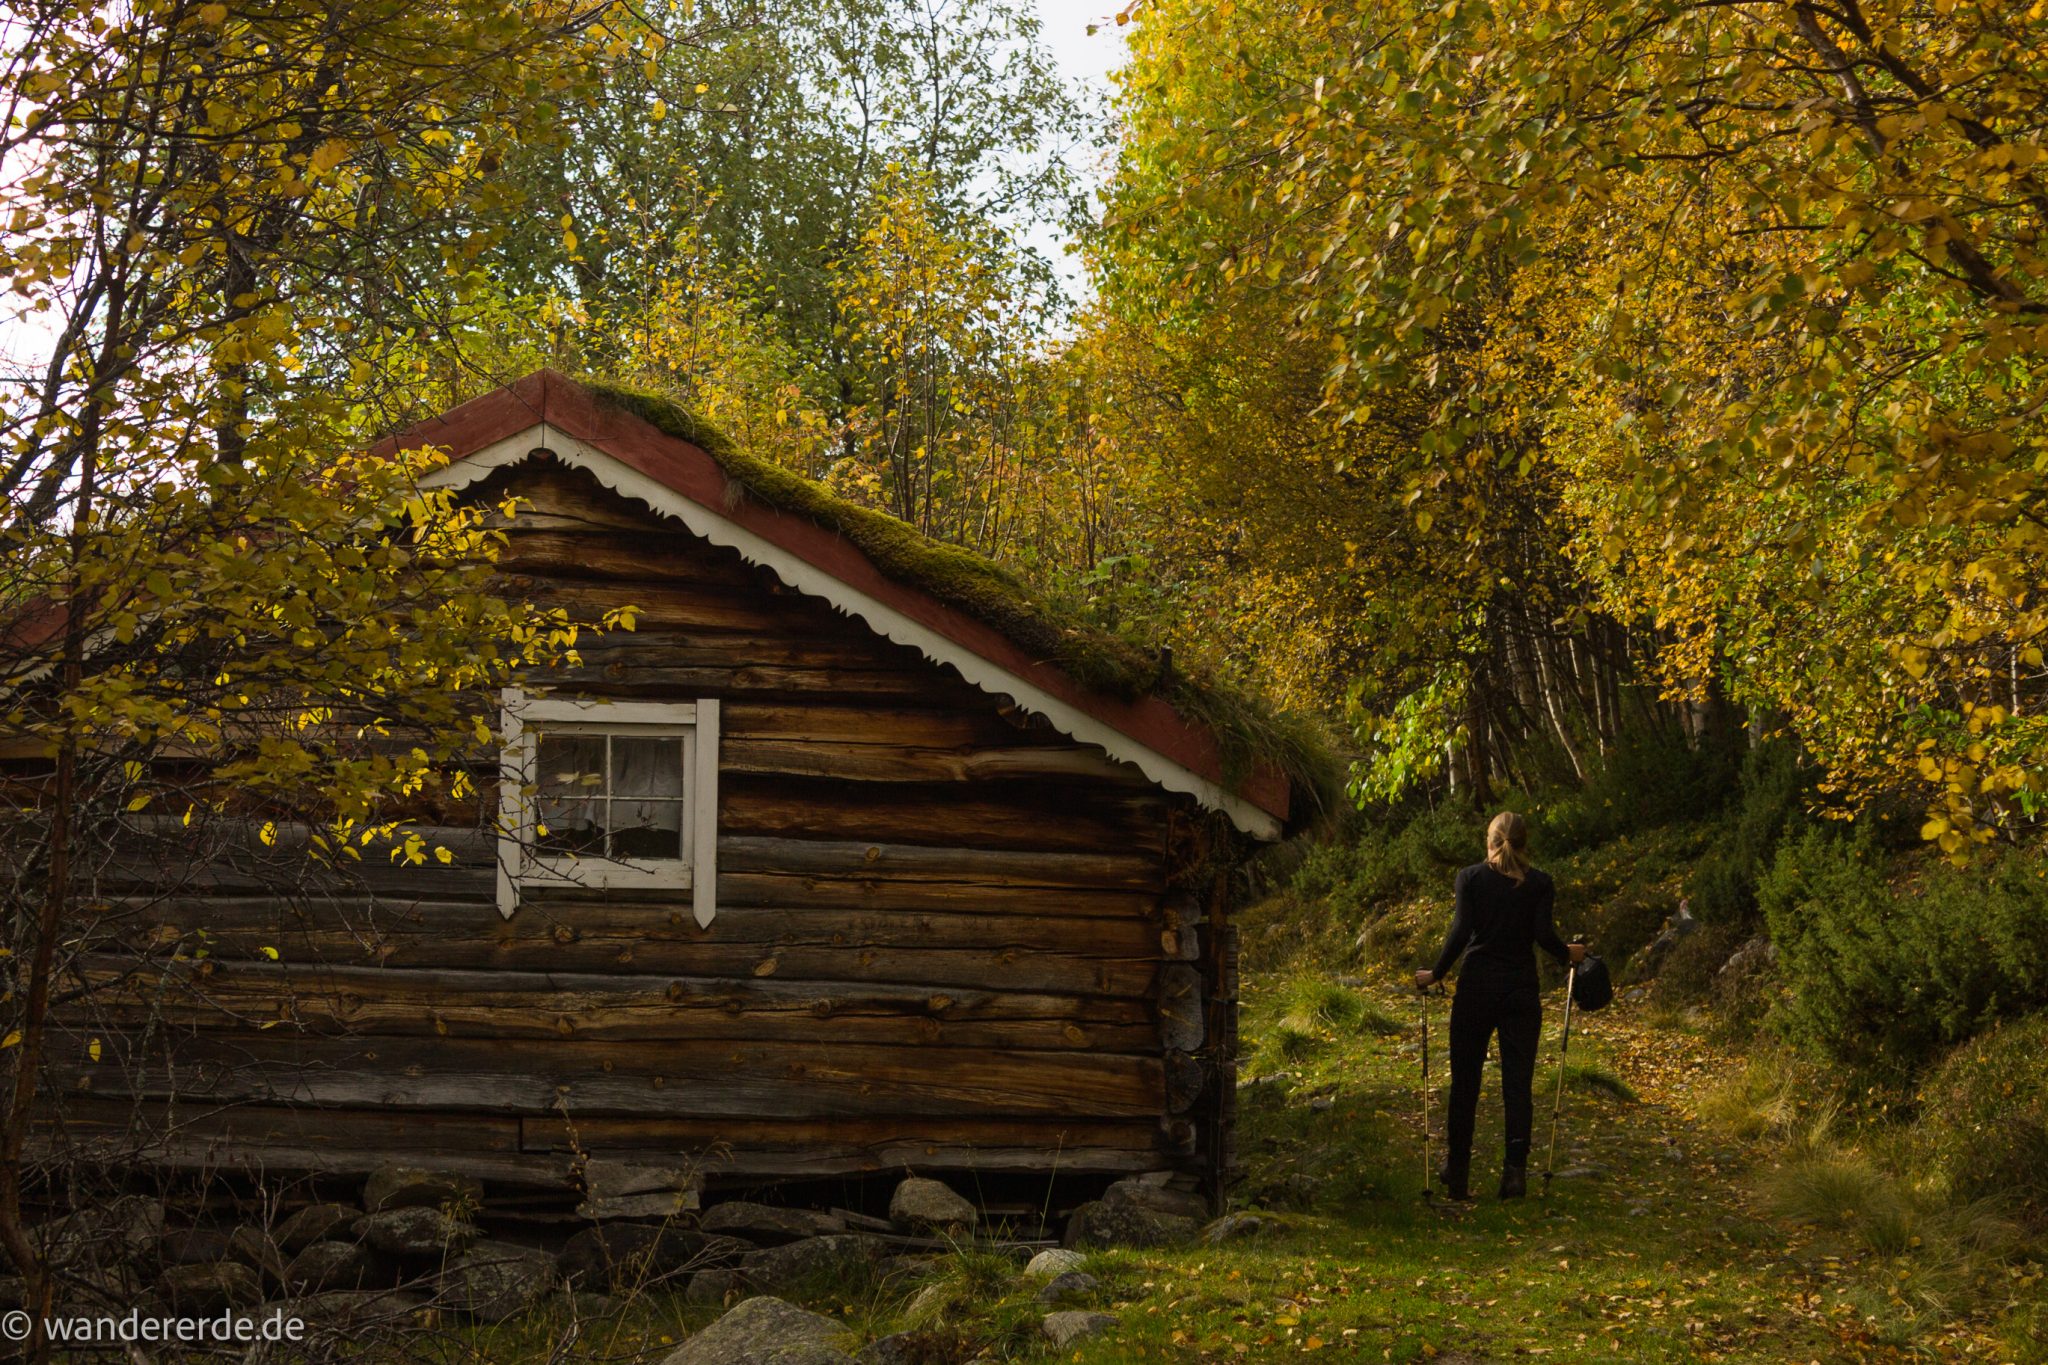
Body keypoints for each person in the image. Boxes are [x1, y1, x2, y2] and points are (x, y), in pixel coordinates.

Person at [1414, 810, 1586, 1200]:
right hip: (1521, 991)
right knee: (1517, 1084)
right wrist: (1567, 954)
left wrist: (1437, 973)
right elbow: (1543, 935)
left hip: (1476, 988)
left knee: (1466, 1083)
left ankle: (1457, 1171)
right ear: (1525, 843)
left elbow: (1460, 932)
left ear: (1489, 841)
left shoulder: (1470, 878)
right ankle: (1514, 1174)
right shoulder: (1541, 883)